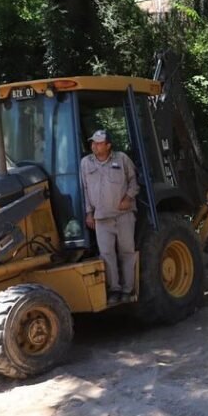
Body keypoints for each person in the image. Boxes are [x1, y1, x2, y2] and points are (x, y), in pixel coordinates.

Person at [81, 129, 140, 304]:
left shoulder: (121, 159)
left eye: (99, 143)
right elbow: (84, 189)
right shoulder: (85, 163)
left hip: (123, 216)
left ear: (108, 145)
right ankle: (114, 289)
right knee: (106, 254)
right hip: (101, 218)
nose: (94, 146)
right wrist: (88, 213)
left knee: (126, 252)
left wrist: (128, 197)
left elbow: (134, 181)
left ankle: (128, 290)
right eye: (93, 142)